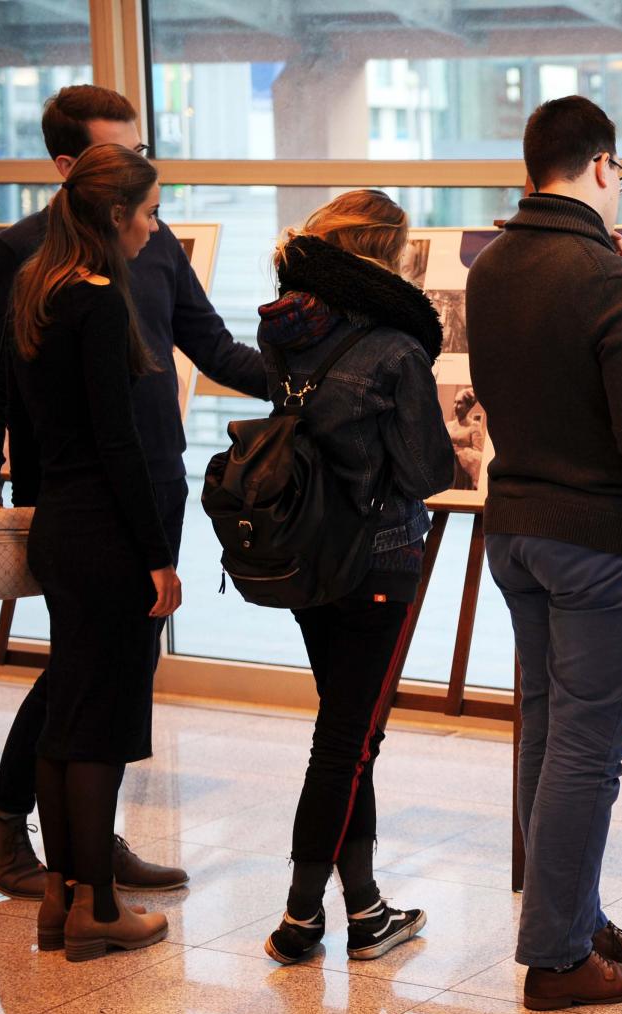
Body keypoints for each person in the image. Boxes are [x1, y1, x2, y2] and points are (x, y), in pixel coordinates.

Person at [0, 85, 266, 902]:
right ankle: (11, 816)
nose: (143, 175)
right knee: (83, 673)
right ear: (72, 167)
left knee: (116, 670)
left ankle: (86, 841)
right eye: (122, 155)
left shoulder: (154, 242)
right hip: (79, 495)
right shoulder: (25, 255)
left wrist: (306, 384)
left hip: (154, 479)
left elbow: (211, 345)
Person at [466, 96, 622, 1011]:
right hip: (605, 545)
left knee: (550, 731)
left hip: (519, 530)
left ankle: (573, 917)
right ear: (603, 168)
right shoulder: (613, 280)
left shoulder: (492, 267)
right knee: (585, 752)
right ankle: (559, 959)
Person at [257, 190, 458, 966]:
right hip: (380, 561)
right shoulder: (399, 351)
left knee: (351, 736)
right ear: (385, 256)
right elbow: (426, 469)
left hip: (308, 556)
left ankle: (366, 907)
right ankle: (302, 917)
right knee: (344, 742)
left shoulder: (285, 329)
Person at [7, 143, 173, 959]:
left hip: (57, 529)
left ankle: (58, 898)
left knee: (63, 721)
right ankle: (99, 908)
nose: (154, 225)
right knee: (100, 725)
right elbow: (121, 443)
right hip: (106, 533)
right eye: (148, 211)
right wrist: (157, 555)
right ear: (115, 215)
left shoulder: (38, 291)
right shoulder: (102, 301)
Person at [446, 387, 485, 491]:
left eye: (460, 403)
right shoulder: (448, 425)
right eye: (455, 402)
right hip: (446, 468)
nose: (455, 406)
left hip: (462, 474)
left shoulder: (474, 426)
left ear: (468, 407)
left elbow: (478, 454)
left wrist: (460, 453)